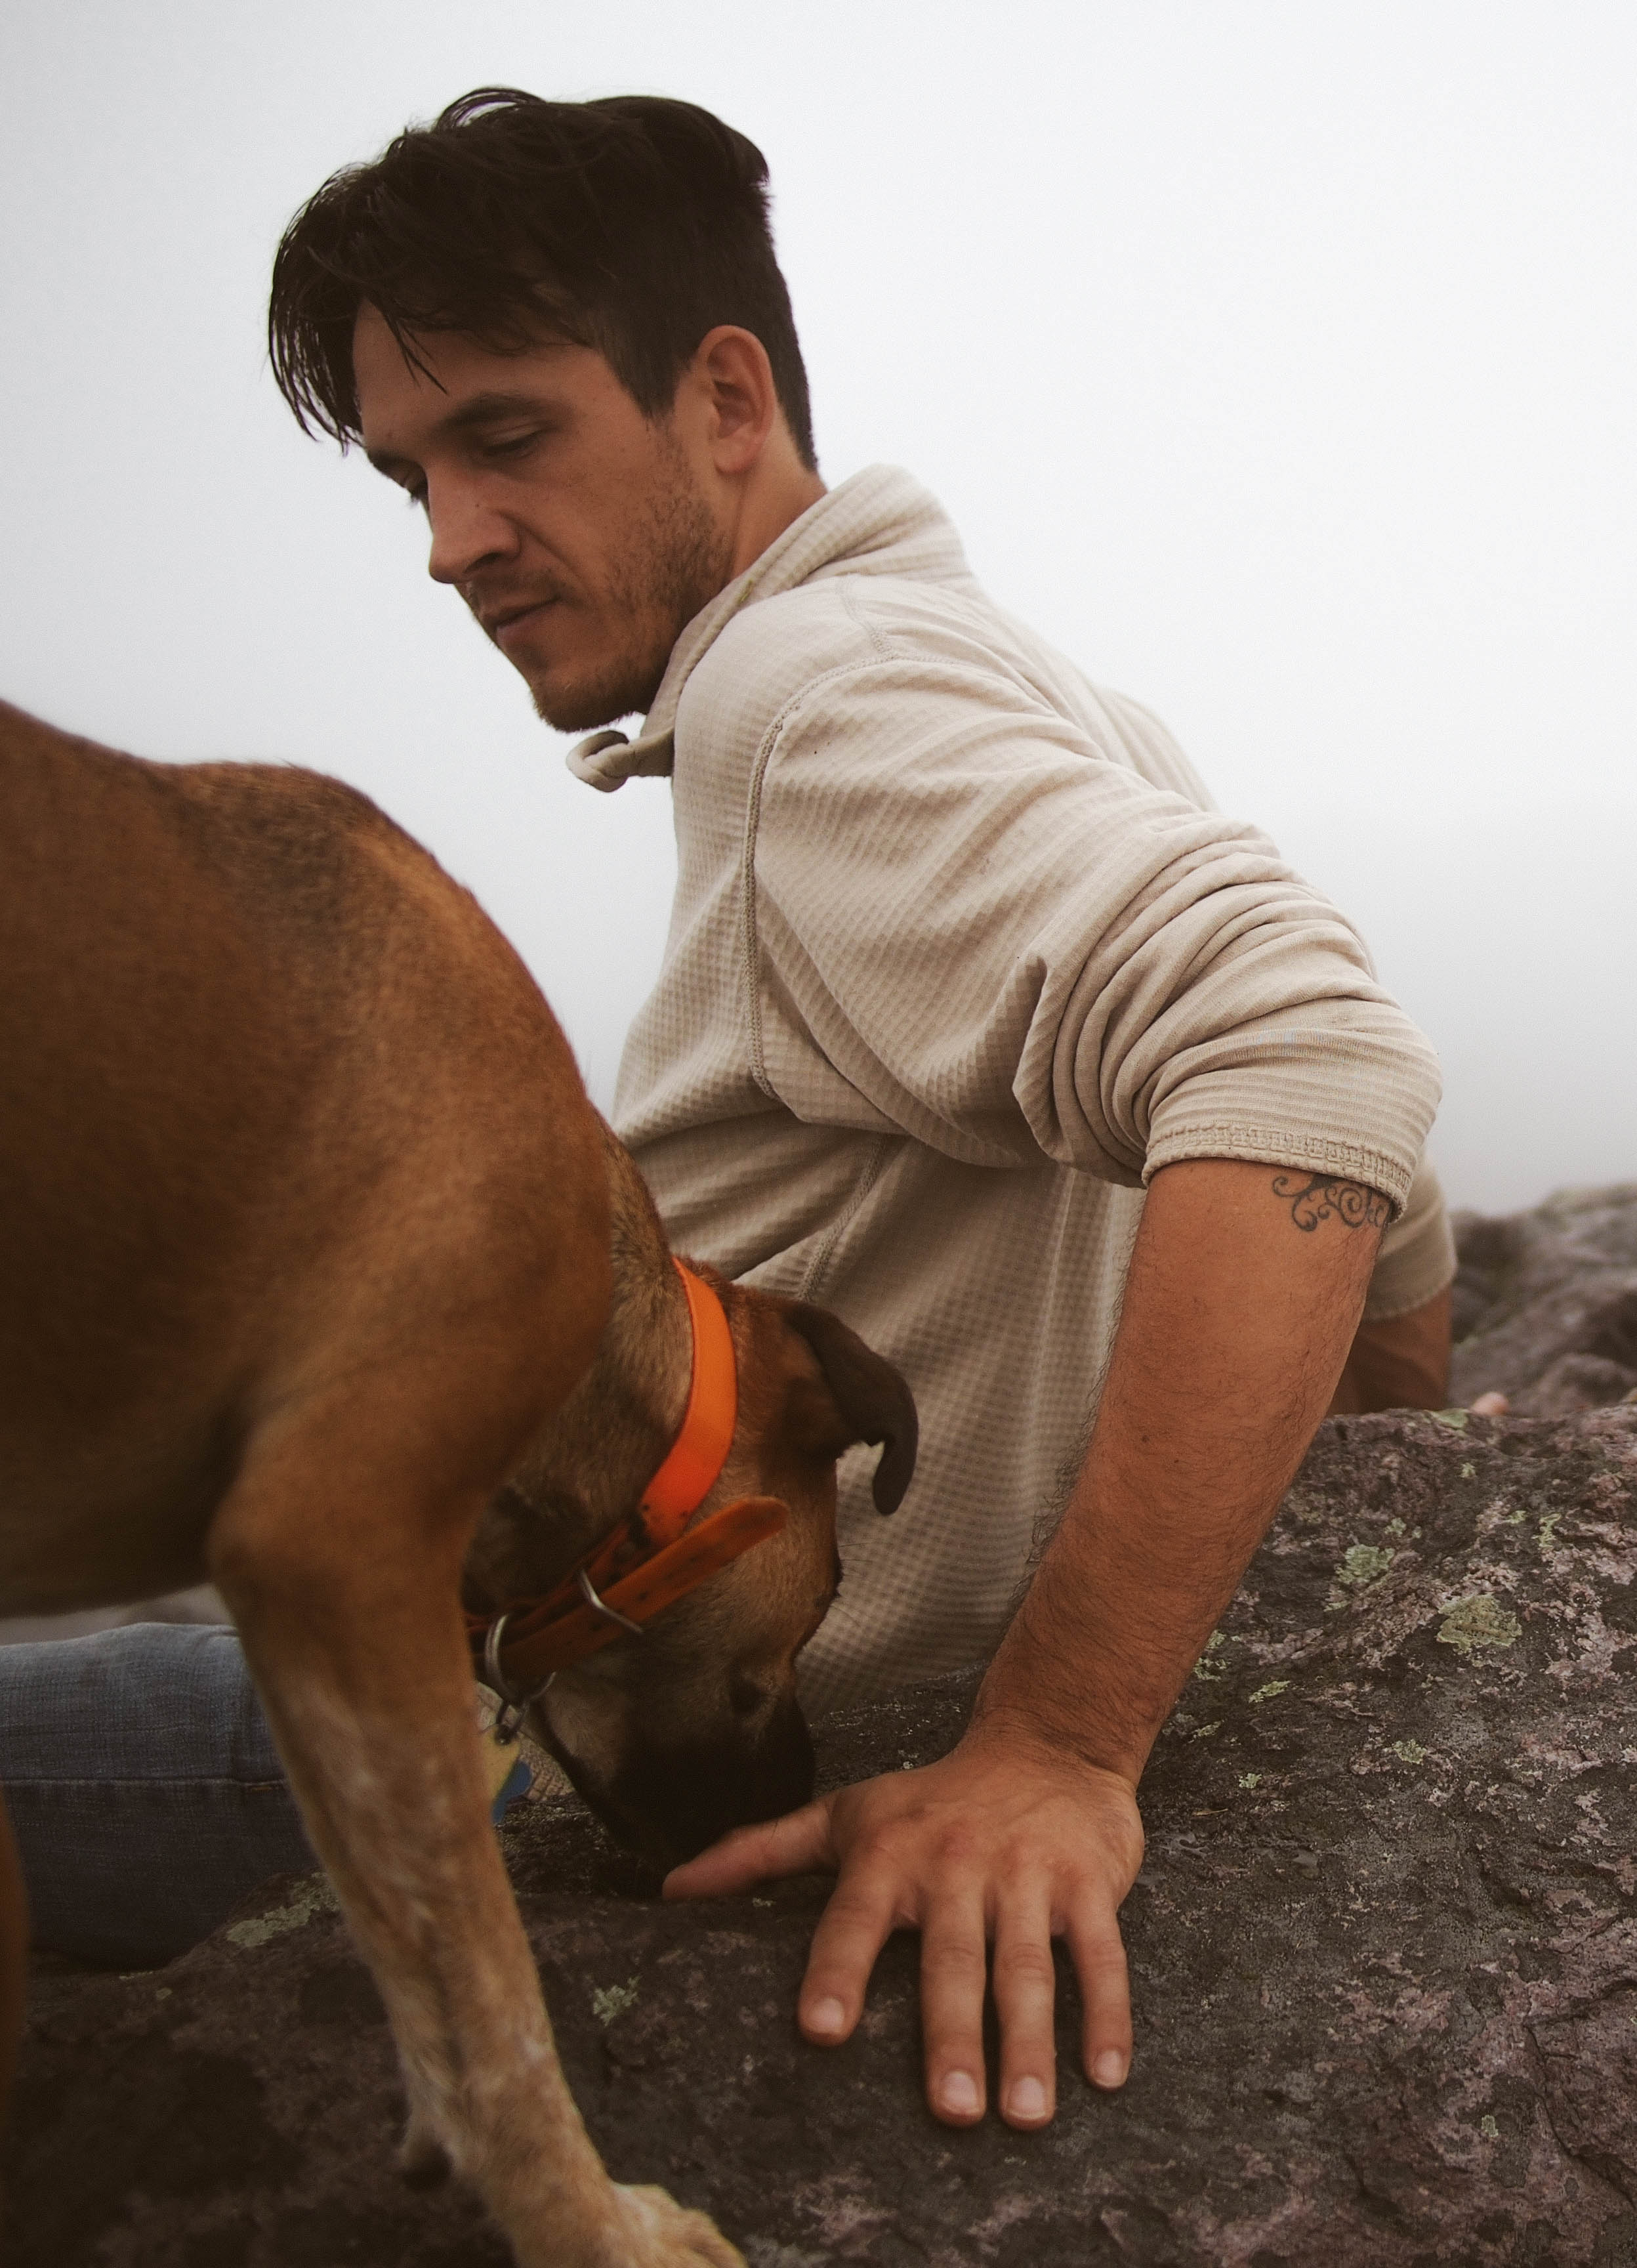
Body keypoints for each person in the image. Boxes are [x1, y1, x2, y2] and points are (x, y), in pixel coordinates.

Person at [5, 89, 1454, 2136]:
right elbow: (1388, 1186)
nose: (447, 546)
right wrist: (1366, 1511)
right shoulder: (1034, 692)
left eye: (505, 438)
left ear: (722, 395)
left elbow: (1315, 1054)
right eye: (411, 476)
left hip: (628, 1722)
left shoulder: (816, 703)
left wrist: (1058, 1738)